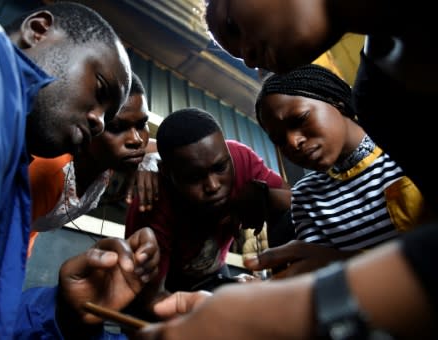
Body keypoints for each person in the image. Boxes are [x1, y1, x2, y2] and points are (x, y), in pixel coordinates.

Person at [130, 0, 438, 338]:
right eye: (278, 139)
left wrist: (327, 287)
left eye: (232, 25)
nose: (247, 58)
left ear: (337, 103)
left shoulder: (381, 121)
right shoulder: (378, 97)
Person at [0, 1, 160, 339]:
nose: (98, 121)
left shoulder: (13, 161)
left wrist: (62, 312)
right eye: (99, 89)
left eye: (109, 116)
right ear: (38, 31)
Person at [248, 63, 431, 278]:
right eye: (278, 140)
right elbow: (324, 277)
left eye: (300, 119)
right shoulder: (306, 196)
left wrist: (345, 262)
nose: (292, 142)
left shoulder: (410, 147)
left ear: (336, 102)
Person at [125, 107, 291, 295]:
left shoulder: (241, 160)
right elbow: (150, 300)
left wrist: (263, 195)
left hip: (213, 271)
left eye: (220, 168)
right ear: (167, 174)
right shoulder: (151, 205)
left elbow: (294, 201)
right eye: (194, 178)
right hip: (166, 285)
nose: (212, 186)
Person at [28, 72, 159, 257]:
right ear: (87, 125)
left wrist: (150, 160)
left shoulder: (111, 154)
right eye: (115, 128)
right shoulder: (46, 174)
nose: (136, 140)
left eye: (141, 124)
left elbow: (165, 146)